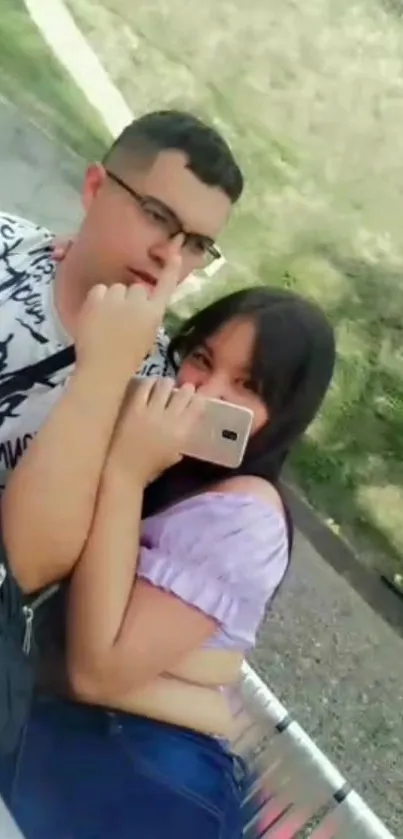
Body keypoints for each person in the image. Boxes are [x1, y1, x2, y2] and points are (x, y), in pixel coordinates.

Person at [0, 287, 336, 839]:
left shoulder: (244, 518)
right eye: (202, 360)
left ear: (286, 415)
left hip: (140, 775)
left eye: (247, 386)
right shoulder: (167, 457)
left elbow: (96, 669)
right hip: (79, 739)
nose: (205, 391)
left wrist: (127, 473)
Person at [0, 108, 243, 494]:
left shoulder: (156, 399)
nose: (170, 256)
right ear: (95, 188)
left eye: (196, 245)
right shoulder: (7, 247)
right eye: (157, 216)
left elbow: (48, 553)